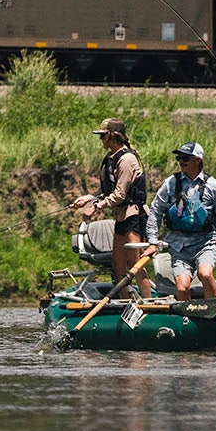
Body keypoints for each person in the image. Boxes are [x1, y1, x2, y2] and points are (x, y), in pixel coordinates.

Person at [71, 117, 149, 298]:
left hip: (134, 216)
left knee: (136, 263)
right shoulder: (111, 158)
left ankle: (149, 303)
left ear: (112, 136)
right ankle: (125, 301)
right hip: (121, 216)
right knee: (118, 264)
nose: (100, 139)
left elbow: (120, 194)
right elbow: (106, 189)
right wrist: (89, 198)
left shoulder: (127, 159)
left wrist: (95, 207)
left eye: (102, 136)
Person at [146, 141, 216, 301]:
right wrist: (153, 241)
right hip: (178, 245)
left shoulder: (213, 186)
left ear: (198, 160)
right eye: (179, 158)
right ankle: (186, 319)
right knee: (182, 287)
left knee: (205, 274)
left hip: (205, 242)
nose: (181, 161)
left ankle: (214, 312)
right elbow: (155, 211)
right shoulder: (170, 183)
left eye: (186, 158)